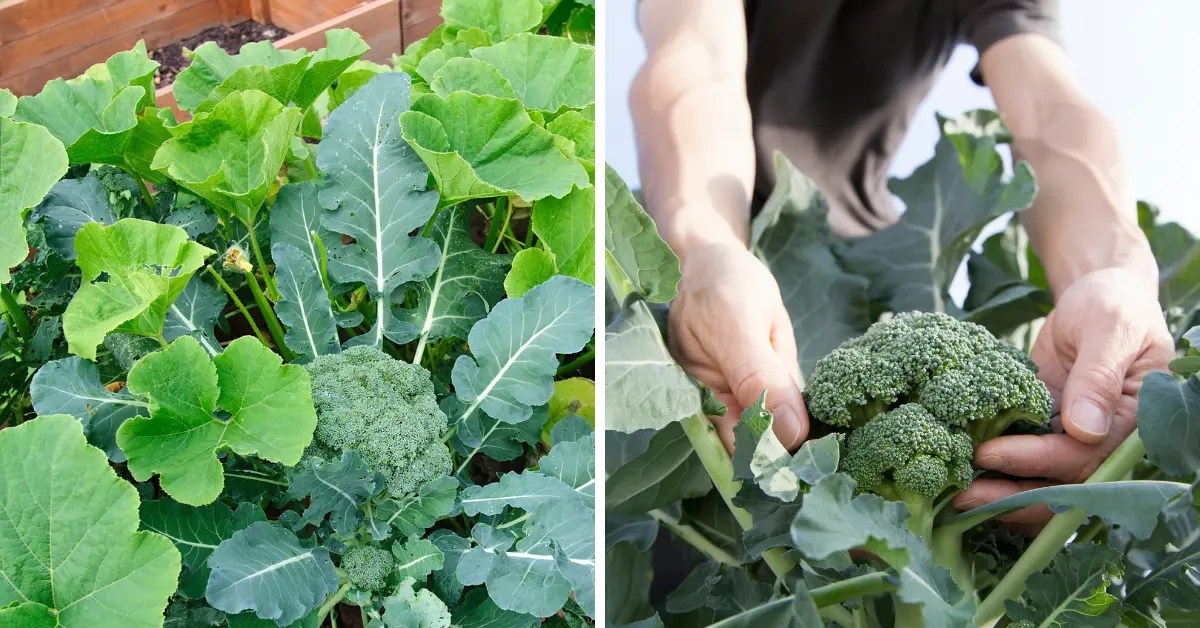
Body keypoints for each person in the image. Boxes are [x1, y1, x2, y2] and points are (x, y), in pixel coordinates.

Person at [629, 0, 1173, 528]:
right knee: (711, 507)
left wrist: (1117, 274)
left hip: (866, 252)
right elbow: (695, 64)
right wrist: (703, 247)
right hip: (719, 241)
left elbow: (1051, 113)